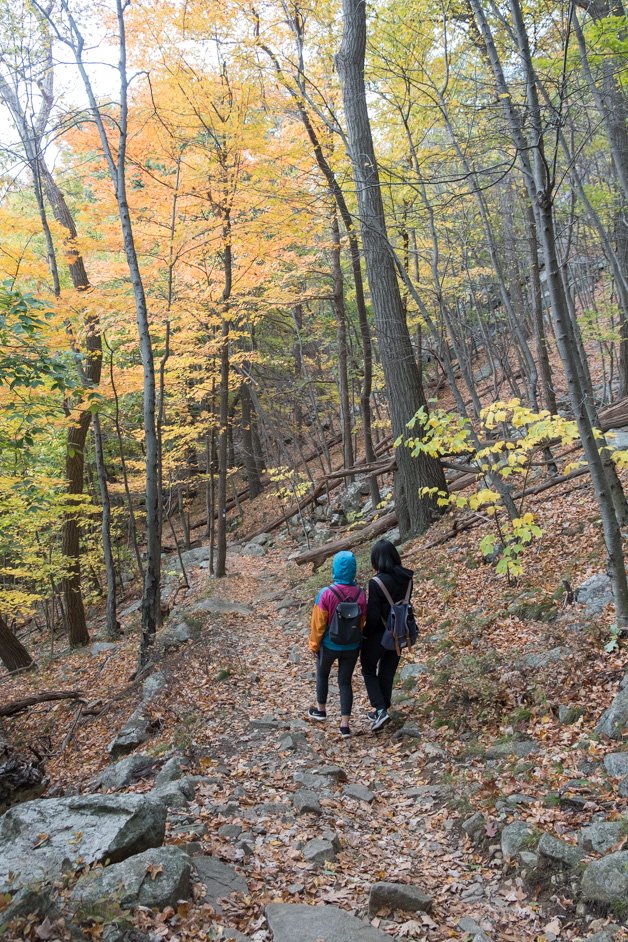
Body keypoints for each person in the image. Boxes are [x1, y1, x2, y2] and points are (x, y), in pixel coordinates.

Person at [307, 550, 367, 738]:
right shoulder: (361, 595)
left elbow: (318, 624)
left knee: (323, 674)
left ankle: (321, 711)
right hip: (351, 646)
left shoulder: (326, 594)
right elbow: (362, 622)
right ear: (353, 570)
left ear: (334, 568)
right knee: (345, 682)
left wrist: (314, 645)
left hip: (329, 644)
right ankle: (345, 726)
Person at [362, 539, 414, 731]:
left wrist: (365, 634)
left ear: (376, 559)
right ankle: (382, 710)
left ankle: (380, 709)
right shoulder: (407, 578)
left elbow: (374, 615)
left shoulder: (376, 583)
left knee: (368, 668)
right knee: (387, 672)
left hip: (379, 635)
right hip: (401, 633)